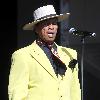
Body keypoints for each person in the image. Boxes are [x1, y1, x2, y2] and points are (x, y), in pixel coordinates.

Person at [8, 5, 81, 100]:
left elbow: (74, 90)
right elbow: (17, 94)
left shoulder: (70, 54)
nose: (51, 27)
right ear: (36, 29)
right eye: (46, 24)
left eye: (54, 23)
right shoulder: (22, 55)